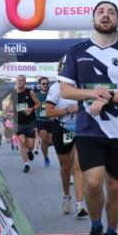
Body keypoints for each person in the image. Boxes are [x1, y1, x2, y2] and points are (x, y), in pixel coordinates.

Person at [59, 0, 118, 235]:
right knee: (94, 183)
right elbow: (66, 90)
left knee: (115, 187)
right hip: (89, 129)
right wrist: (91, 93)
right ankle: (96, 227)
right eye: (101, 12)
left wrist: (108, 97)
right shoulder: (76, 51)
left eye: (111, 13)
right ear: (93, 19)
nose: (106, 16)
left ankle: (112, 233)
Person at [45, 58, 87, 217]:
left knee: (78, 165)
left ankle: (80, 205)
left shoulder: (82, 85)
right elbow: (48, 112)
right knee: (66, 166)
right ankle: (67, 196)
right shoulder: (56, 88)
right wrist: (69, 110)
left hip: (81, 130)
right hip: (62, 129)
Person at [13, 75, 40, 173]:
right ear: (16, 81)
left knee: (31, 146)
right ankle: (26, 164)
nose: (20, 82)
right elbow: (11, 107)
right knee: (23, 143)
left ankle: (29, 151)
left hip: (30, 122)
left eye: (22, 80)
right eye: (18, 80)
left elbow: (38, 104)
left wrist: (31, 108)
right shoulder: (13, 94)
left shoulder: (30, 92)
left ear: (25, 82)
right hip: (19, 123)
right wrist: (10, 111)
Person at [33, 76, 53, 167]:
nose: (45, 85)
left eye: (47, 84)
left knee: (50, 141)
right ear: (40, 85)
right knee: (44, 139)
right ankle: (46, 158)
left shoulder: (52, 94)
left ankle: (45, 145)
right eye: (43, 84)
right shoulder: (36, 95)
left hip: (51, 120)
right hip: (40, 120)